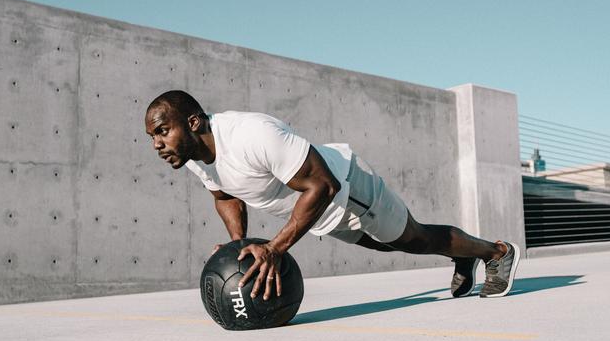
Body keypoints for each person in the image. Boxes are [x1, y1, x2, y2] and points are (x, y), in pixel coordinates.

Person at [144, 90, 520, 302]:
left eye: (162, 131)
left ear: (193, 123)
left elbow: (323, 186)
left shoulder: (250, 134)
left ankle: (496, 253)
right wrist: (238, 246)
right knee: (387, 246)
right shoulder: (193, 156)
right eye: (152, 138)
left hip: (346, 188)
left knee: (414, 239)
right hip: (318, 212)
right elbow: (225, 194)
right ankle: (460, 253)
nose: (158, 145)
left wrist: (275, 249)